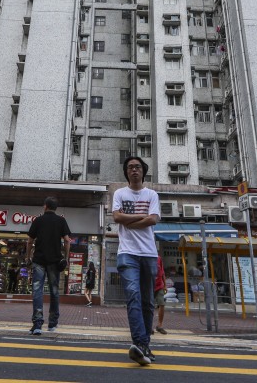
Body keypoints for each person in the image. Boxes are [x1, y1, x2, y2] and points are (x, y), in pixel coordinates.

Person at [112, 154, 160, 366]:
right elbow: (116, 217)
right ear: (126, 172)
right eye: (130, 167)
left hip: (149, 254)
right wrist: (141, 218)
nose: (134, 170)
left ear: (143, 171)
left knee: (148, 302)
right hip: (127, 253)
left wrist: (128, 220)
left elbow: (153, 219)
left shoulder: (152, 194)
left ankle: (145, 346)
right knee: (133, 296)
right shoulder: (120, 193)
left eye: (137, 167)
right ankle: (140, 344)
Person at [25, 197, 71, 335]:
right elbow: (67, 240)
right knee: (54, 291)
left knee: (37, 291)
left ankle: (37, 324)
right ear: (55, 208)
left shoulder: (38, 220)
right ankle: (52, 323)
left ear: (45, 206)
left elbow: (30, 241)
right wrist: (66, 258)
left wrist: (28, 257)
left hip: (39, 260)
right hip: (54, 261)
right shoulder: (61, 221)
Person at [153, 256, 167, 334]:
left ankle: (159, 325)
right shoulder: (146, 257)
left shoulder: (159, 259)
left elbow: (162, 272)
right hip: (149, 286)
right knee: (148, 306)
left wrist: (165, 285)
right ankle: (148, 326)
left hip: (159, 286)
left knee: (162, 304)